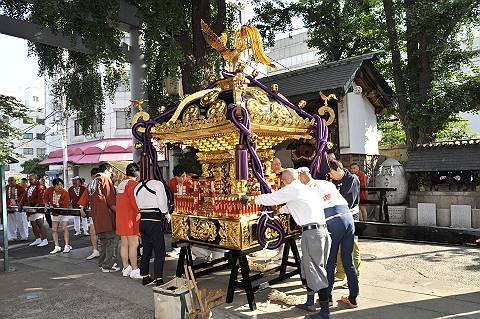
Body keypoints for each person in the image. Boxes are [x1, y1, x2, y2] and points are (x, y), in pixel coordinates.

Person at [254, 168, 331, 319]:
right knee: (307, 267)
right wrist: (278, 212)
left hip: (313, 234)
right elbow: (288, 207)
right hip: (319, 232)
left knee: (316, 270)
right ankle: (310, 302)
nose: (281, 183)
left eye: (282, 180)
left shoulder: (292, 188)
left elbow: (272, 198)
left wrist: (252, 199)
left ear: (286, 179)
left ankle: (324, 312)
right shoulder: (303, 190)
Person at [298, 167, 359, 308]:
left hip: (333, 221)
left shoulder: (307, 190)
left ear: (301, 178)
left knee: (329, 262)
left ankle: (328, 297)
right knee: (348, 261)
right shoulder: (326, 183)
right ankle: (353, 298)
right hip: (348, 218)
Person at [328, 160, 362, 291]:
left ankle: (355, 276)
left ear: (337, 169)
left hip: (350, 217)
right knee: (338, 248)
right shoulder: (334, 182)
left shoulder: (352, 179)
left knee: (352, 248)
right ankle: (340, 273)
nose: (330, 176)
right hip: (337, 218)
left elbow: (348, 201)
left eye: (331, 173)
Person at [134, 176, 171, 286]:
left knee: (146, 249)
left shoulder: (137, 186)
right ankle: (159, 279)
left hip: (142, 220)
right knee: (159, 251)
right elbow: (162, 202)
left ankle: (145, 277)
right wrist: (166, 213)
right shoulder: (158, 184)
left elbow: (136, 203)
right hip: (154, 219)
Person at [89, 162, 118, 272]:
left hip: (97, 216)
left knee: (103, 242)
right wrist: (118, 213)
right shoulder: (105, 179)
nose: (111, 173)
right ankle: (107, 265)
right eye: (111, 171)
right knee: (111, 241)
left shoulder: (93, 181)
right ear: (107, 170)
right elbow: (111, 200)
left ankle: (102, 263)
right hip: (106, 216)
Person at [116, 163, 142, 279]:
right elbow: (135, 203)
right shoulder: (133, 184)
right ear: (136, 173)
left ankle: (126, 268)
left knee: (124, 244)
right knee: (133, 244)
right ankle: (135, 269)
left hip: (121, 218)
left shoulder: (121, 183)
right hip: (131, 218)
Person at [44, 178, 72, 254]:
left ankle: (67, 245)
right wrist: (46, 204)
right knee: (54, 230)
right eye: (57, 185)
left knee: (64, 228)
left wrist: (55, 206)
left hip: (63, 212)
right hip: (55, 212)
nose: (60, 186)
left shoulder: (65, 193)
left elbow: (65, 205)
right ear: (54, 186)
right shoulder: (50, 190)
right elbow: (45, 196)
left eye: (61, 185)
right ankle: (57, 246)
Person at [78, 168, 100, 260]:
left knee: (105, 233)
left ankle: (105, 252)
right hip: (94, 211)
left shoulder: (105, 183)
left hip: (105, 212)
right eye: (95, 177)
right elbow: (85, 198)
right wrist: (82, 208)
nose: (96, 178)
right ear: (91, 177)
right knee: (92, 231)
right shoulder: (90, 186)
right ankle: (95, 250)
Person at [20, 174, 48, 247]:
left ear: (36, 179)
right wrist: (21, 204)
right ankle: (37, 239)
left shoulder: (40, 186)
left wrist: (36, 207)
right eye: (29, 180)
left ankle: (45, 240)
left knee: (40, 224)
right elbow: (25, 197)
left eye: (31, 179)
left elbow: (41, 197)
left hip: (38, 207)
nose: (30, 181)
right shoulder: (29, 187)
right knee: (33, 224)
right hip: (31, 208)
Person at [6, 177, 28, 241]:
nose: (10, 182)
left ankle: (24, 236)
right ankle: (12, 236)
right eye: (9, 181)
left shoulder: (20, 188)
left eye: (12, 180)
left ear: (15, 181)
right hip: (9, 206)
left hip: (19, 206)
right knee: (10, 223)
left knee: (21, 221)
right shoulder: (6, 188)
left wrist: (19, 203)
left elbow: (23, 196)